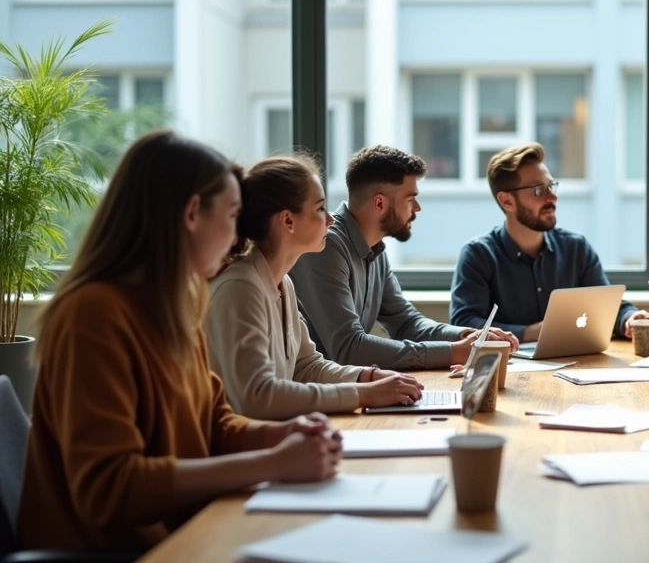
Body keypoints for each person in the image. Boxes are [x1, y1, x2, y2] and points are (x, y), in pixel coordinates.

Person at [19, 130, 342, 553]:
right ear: (192, 214)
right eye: (230, 218)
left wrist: (280, 436)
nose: (236, 237)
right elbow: (111, 489)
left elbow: (216, 422)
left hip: (182, 534)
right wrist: (272, 462)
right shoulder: (92, 315)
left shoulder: (175, 305)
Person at [205, 155, 424, 421]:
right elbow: (256, 397)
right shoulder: (241, 288)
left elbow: (307, 366)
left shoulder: (282, 282)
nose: (331, 219)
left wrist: (369, 377)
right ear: (288, 221)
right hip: (239, 452)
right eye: (320, 208)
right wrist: (364, 394)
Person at [290, 145, 517, 371]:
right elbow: (349, 348)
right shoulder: (325, 246)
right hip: (312, 393)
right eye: (410, 199)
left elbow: (407, 323)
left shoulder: (375, 249)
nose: (417, 208)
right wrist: (454, 351)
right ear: (379, 203)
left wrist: (468, 335)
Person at [449, 143, 649, 342]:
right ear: (507, 201)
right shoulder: (478, 255)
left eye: (551, 186)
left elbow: (607, 307)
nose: (552, 198)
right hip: (510, 371)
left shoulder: (576, 248)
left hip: (576, 367)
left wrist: (629, 318)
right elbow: (465, 323)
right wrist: (531, 332)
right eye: (539, 190)